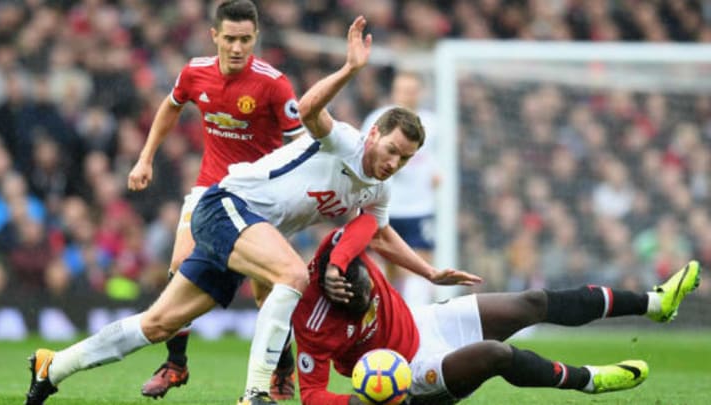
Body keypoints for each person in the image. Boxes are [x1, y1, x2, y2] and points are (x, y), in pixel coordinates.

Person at [24, 15, 480, 405]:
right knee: (293, 277)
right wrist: (348, 69)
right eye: (393, 151)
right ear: (376, 133)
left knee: (159, 323)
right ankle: (256, 393)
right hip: (226, 204)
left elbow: (380, 236)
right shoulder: (345, 140)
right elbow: (306, 110)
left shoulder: (378, 190)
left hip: (246, 228)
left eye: (405, 160)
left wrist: (429, 272)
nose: (394, 164)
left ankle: (53, 367)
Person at [292, 213, 702, 404]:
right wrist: (358, 402)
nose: (369, 305)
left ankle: (656, 303)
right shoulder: (313, 325)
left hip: (426, 322)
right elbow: (311, 395)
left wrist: (341, 258)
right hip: (410, 373)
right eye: (359, 308)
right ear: (335, 302)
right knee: (495, 355)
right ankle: (589, 381)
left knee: (533, 302)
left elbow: (365, 222)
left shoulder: (340, 257)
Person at [126, 0, 306, 400]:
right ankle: (176, 365)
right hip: (211, 189)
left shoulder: (274, 84)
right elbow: (170, 107)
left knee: (268, 291)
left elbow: (301, 145)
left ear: (255, 37)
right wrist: (145, 157)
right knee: (178, 267)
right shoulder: (194, 72)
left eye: (245, 39)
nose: (237, 47)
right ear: (214, 37)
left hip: (260, 197)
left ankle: (282, 369)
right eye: (230, 39)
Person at [360, 71, 441, 306]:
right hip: (383, 206)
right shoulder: (377, 119)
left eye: (412, 91)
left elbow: (439, 159)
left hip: (420, 207)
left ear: (420, 94)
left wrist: (438, 173)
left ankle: (416, 322)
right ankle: (380, 318)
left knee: (420, 264)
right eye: (403, 90)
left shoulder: (433, 125)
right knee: (381, 265)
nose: (407, 96)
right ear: (394, 93)